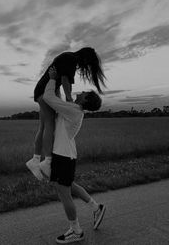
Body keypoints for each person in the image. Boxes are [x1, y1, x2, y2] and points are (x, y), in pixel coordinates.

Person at [40, 67, 106, 243]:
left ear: (85, 99)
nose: (82, 91)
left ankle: (76, 231)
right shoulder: (73, 109)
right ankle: (96, 207)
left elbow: (48, 98)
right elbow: (59, 101)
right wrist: (60, 86)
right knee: (69, 186)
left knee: (64, 193)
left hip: (63, 156)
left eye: (84, 92)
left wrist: (53, 79)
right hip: (65, 155)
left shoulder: (74, 110)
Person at [26, 47, 106, 180]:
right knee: (49, 124)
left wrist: (65, 100)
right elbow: (64, 81)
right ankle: (47, 161)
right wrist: (69, 101)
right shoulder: (71, 59)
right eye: (88, 63)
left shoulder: (69, 58)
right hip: (46, 90)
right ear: (85, 57)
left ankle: (35, 160)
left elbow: (65, 82)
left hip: (43, 89)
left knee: (44, 126)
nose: (86, 67)